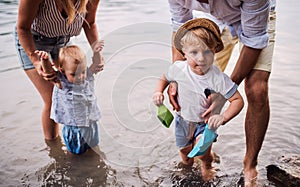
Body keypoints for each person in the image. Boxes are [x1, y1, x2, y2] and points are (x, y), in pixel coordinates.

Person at [167, 0, 276, 185]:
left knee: (256, 89)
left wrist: (224, 93)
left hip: (254, 20)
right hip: (211, 22)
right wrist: (177, 79)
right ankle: (205, 155)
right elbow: (180, 30)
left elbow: (255, 40)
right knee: (198, 87)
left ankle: (250, 165)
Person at [153, 18, 244, 181]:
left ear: (215, 50)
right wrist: (158, 92)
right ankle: (187, 166)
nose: (201, 58)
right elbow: (164, 78)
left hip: (206, 123)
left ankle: (207, 165)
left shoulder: (218, 78)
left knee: (202, 150)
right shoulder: (179, 69)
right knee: (185, 153)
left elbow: (238, 100)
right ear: (184, 52)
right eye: (194, 52)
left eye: (207, 51)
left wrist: (223, 117)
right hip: (182, 120)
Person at [14, 0, 103, 141]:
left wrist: (97, 53)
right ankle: (53, 148)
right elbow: (22, 28)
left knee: (74, 88)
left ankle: (71, 142)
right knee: (52, 97)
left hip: (63, 41)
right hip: (33, 43)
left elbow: (90, 23)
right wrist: (36, 61)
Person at [36, 44, 103, 154]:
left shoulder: (87, 76)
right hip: (74, 128)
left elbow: (96, 64)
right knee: (76, 154)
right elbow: (49, 72)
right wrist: (45, 60)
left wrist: (97, 52)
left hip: (91, 123)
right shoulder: (62, 82)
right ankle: (75, 167)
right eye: (74, 74)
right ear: (62, 71)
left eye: (82, 72)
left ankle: (92, 168)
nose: (80, 77)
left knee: (93, 149)